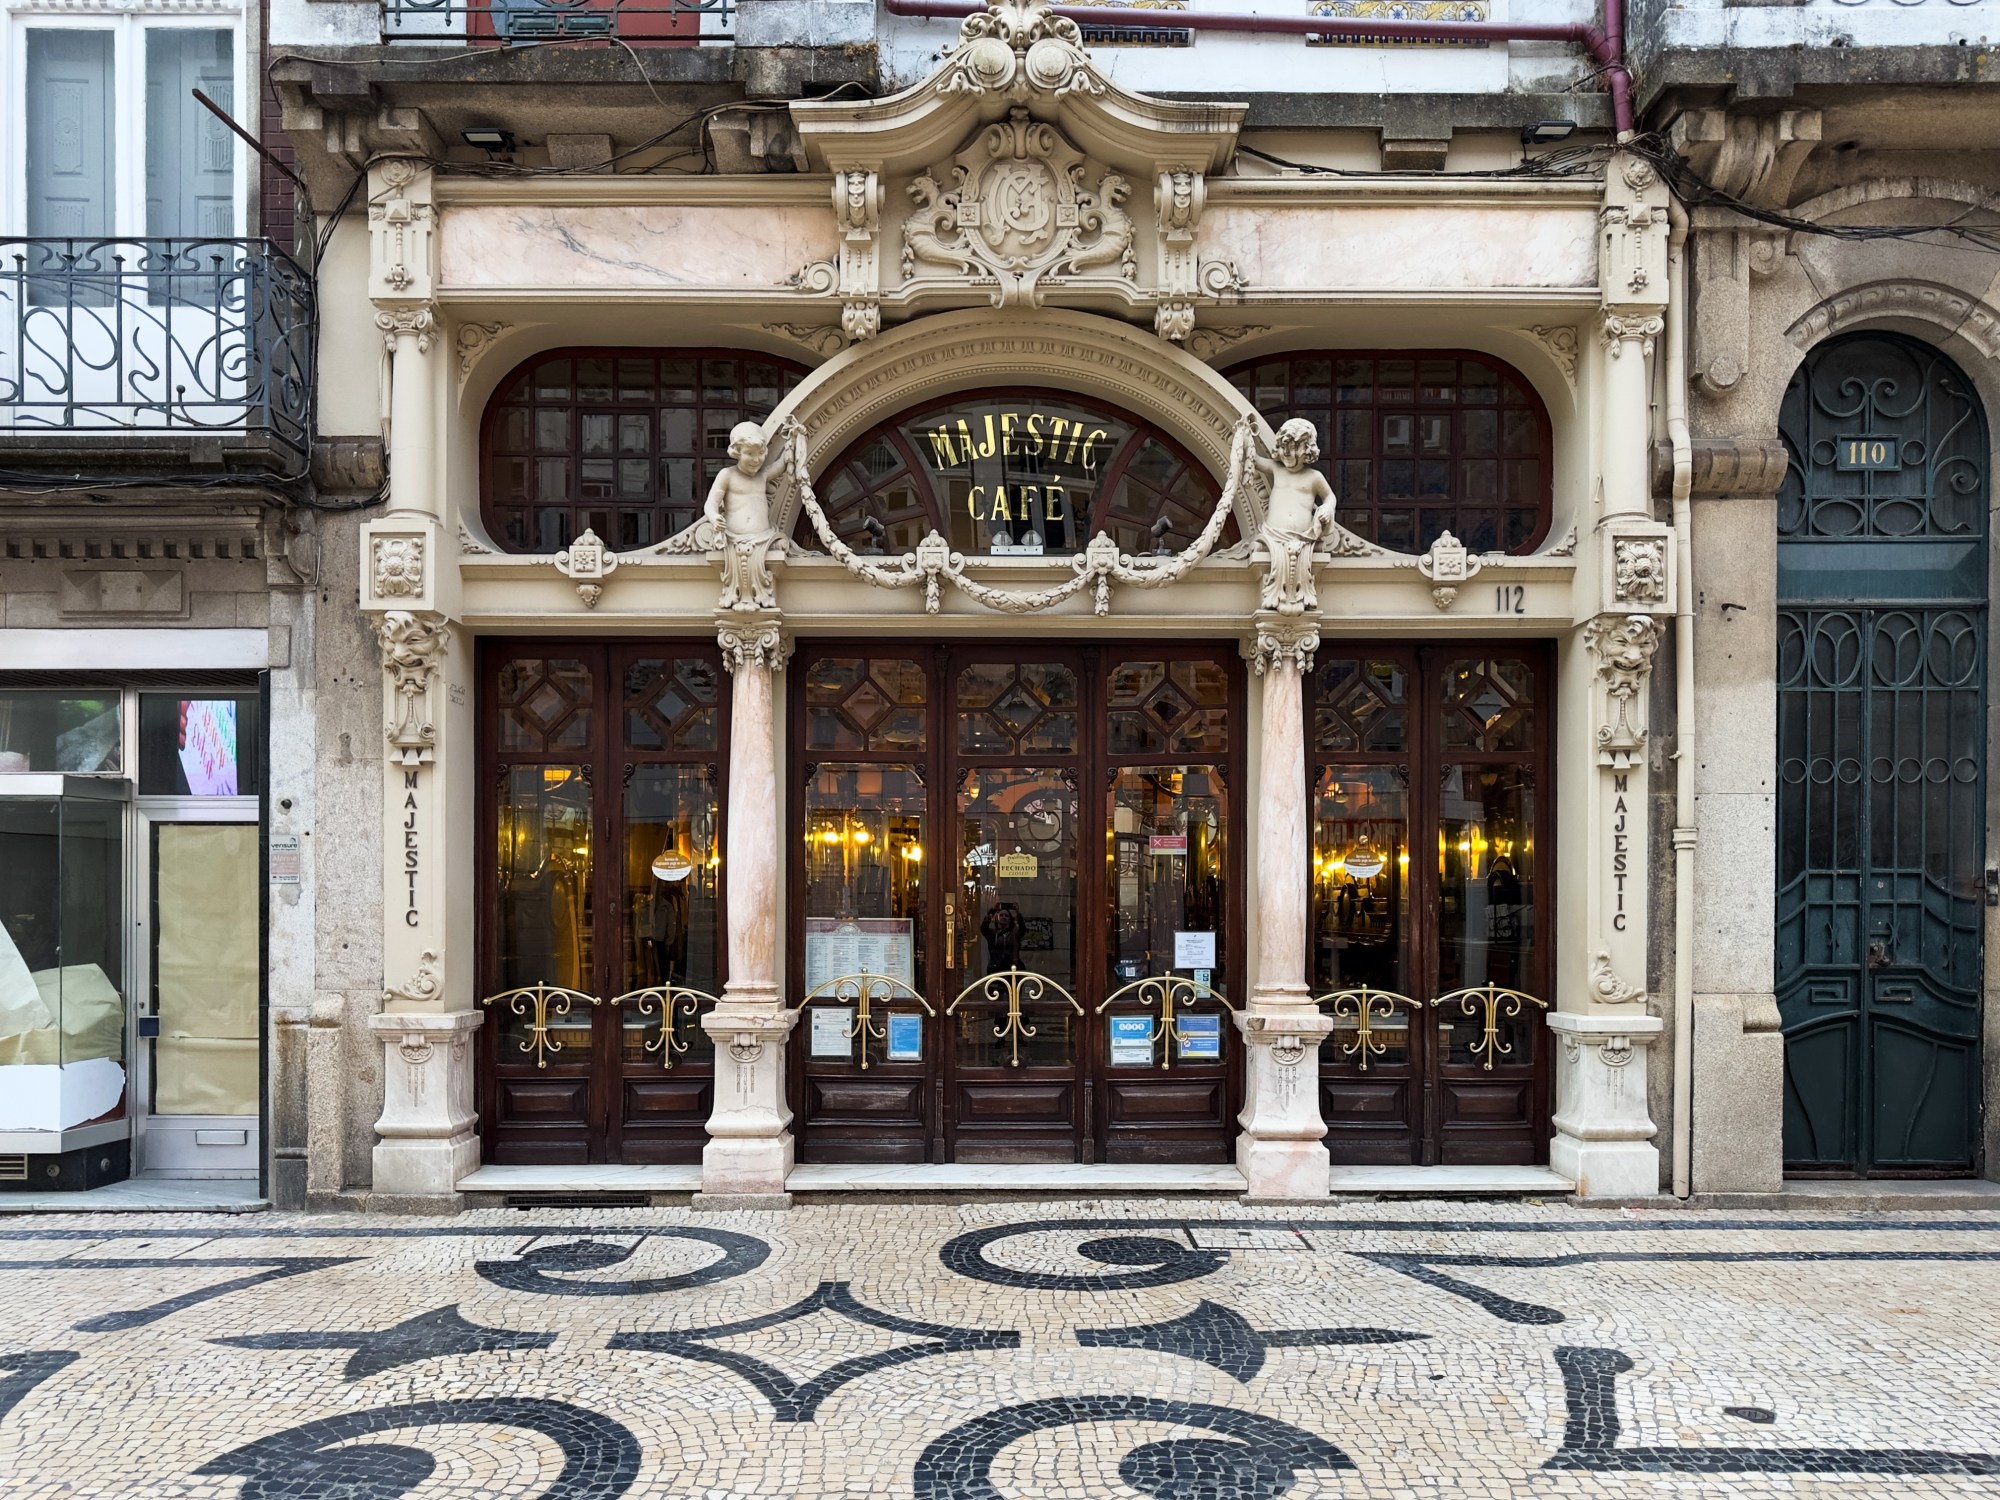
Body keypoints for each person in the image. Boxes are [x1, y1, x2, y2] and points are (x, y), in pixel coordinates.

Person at [1252, 417, 1338, 613]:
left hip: (1302, 540)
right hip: (1273, 536)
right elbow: (1254, 460)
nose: (1288, 453)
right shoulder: (1276, 469)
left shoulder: (1314, 477)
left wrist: (1327, 509)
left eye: (1295, 447)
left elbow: (1329, 497)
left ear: (1308, 449)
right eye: (1284, 446)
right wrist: (1244, 436)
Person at [702, 420, 784, 610]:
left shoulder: (762, 476)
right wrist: (714, 518)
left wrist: (795, 440)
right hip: (734, 542)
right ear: (737, 452)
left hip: (763, 541)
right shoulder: (727, 475)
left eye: (760, 454)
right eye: (749, 454)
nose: (756, 460)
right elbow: (711, 503)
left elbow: (780, 465)